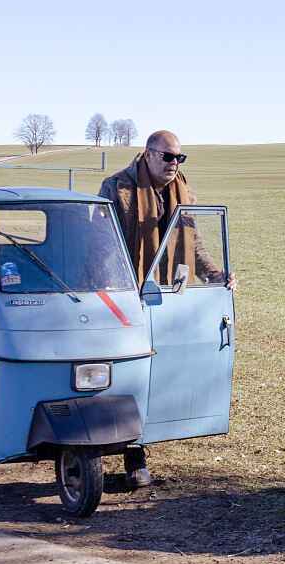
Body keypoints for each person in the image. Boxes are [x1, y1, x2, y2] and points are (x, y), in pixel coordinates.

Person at [98, 130, 237, 489]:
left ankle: (147, 437)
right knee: (128, 372)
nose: (174, 164)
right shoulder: (117, 187)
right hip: (125, 296)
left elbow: (195, 241)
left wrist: (215, 273)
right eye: (168, 157)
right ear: (147, 154)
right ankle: (130, 455)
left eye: (180, 158)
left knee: (159, 369)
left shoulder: (183, 192)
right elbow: (99, 243)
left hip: (169, 294)